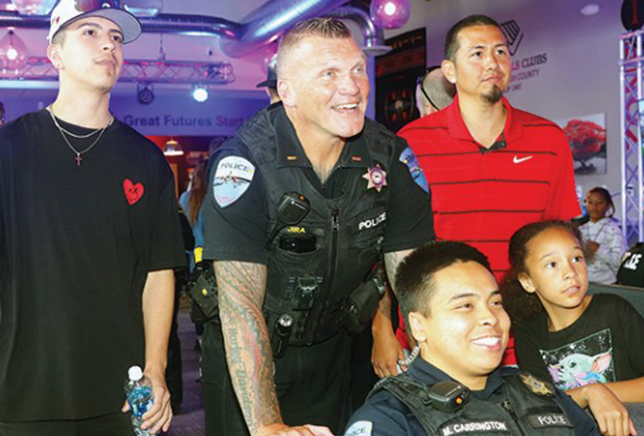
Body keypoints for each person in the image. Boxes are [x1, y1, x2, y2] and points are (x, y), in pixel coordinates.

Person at [201, 17, 435, 436]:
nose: (351, 87)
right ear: (286, 92)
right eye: (328, 74)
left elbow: (416, 283)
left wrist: (442, 374)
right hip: (252, 352)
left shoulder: (391, 156)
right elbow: (240, 306)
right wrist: (269, 425)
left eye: (357, 70)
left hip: (336, 349)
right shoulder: (245, 163)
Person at [0, 1, 185, 435]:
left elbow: (159, 272)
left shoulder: (146, 160)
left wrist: (157, 371)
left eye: (117, 37)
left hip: (122, 394)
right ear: (55, 53)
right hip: (21, 392)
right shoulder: (9, 150)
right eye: (90, 32)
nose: (108, 44)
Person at [397, 14, 580, 365]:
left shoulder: (549, 139)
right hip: (439, 334)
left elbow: (560, 240)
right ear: (450, 70)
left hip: (526, 332)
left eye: (500, 52)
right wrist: (381, 329)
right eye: (477, 53)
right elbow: (389, 247)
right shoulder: (411, 143)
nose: (492, 63)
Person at [345, 240, 600, 436]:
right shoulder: (392, 417)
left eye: (496, 302)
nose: (490, 317)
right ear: (418, 326)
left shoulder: (537, 392)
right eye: (465, 306)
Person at [503, 220, 644, 436]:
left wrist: (598, 392)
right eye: (552, 264)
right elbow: (541, 405)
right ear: (527, 281)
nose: (570, 271)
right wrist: (588, 393)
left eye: (576, 258)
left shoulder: (612, 309)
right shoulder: (528, 333)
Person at [579, 187, 627, 284]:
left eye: (599, 203)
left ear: (608, 206)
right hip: (584, 283)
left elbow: (620, 261)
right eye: (590, 202)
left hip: (607, 284)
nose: (594, 206)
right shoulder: (580, 230)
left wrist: (598, 249)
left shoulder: (613, 230)